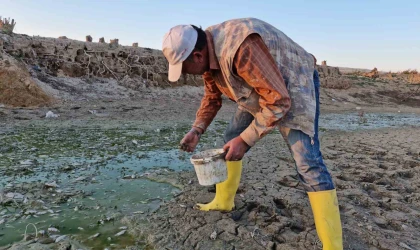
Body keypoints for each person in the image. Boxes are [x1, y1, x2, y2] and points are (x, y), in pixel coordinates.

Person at [162, 18, 343, 250]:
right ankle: (224, 201)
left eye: (186, 70)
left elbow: (278, 100)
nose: (189, 75)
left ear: (197, 56)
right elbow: (212, 96)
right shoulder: (207, 54)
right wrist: (197, 129)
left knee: (308, 163)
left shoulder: (241, 47)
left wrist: (246, 141)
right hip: (256, 87)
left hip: (293, 83)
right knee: (230, 138)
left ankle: (333, 246)